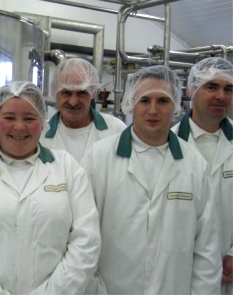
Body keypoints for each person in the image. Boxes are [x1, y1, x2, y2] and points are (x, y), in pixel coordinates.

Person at [0, 81, 101, 294]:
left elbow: (86, 240)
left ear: (43, 122)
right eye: (9, 118)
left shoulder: (68, 168)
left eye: (29, 118)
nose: (19, 127)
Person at [87, 65, 222, 294]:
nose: (153, 110)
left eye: (163, 101)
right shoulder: (99, 158)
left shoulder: (195, 165)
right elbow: (83, 234)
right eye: (144, 100)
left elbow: (206, 247)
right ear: (131, 104)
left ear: (176, 107)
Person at [172, 57, 233, 294]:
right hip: (183, 270)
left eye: (228, 88)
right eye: (211, 87)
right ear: (192, 90)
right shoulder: (170, 144)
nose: (221, 95)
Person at [40, 58, 126, 168]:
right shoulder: (40, 134)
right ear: (55, 93)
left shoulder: (116, 130)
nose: (73, 102)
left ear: (93, 93)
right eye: (66, 93)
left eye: (82, 93)